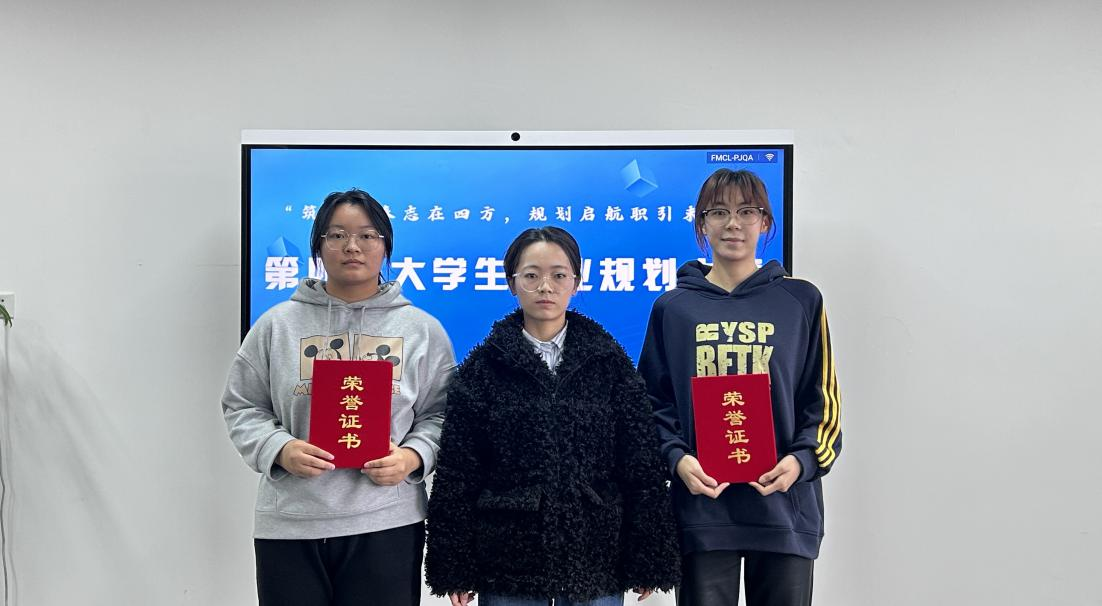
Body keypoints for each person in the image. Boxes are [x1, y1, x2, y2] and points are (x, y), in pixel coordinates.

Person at [222, 188, 455, 606]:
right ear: (318, 246)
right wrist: (279, 448)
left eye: (367, 235)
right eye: (337, 235)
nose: (352, 246)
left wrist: (412, 457)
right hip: (290, 524)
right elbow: (242, 405)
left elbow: (442, 415)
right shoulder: (276, 325)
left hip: (387, 522)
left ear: (385, 246)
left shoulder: (423, 330)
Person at [425, 227, 680, 606]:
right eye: (531, 275)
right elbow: (458, 473)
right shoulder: (483, 369)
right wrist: (454, 566)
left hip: (595, 555)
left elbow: (640, 466)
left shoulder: (609, 365)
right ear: (512, 283)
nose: (545, 286)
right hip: (509, 559)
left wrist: (649, 555)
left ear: (576, 282)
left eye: (559, 275)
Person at [638, 169, 842, 606]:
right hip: (703, 509)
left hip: (785, 508)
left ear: (765, 221)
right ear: (701, 223)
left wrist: (801, 461)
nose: (733, 224)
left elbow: (822, 400)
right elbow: (651, 403)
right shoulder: (673, 308)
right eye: (719, 212)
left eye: (747, 211)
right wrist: (677, 459)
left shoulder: (801, 301)